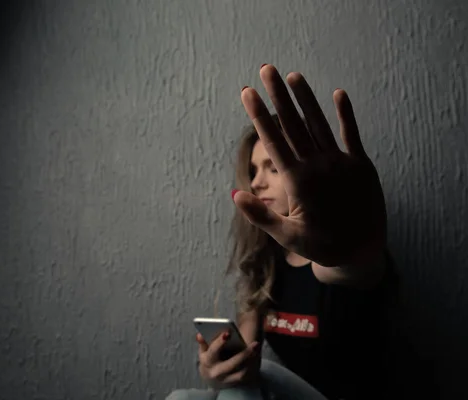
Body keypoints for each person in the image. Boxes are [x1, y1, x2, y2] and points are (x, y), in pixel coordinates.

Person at [166, 64, 398, 400]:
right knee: (183, 399)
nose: (257, 182)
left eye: (273, 168)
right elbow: (244, 362)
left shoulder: (334, 256)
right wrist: (217, 372)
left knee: (258, 379)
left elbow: (351, 268)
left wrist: (349, 254)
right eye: (252, 170)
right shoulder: (265, 264)